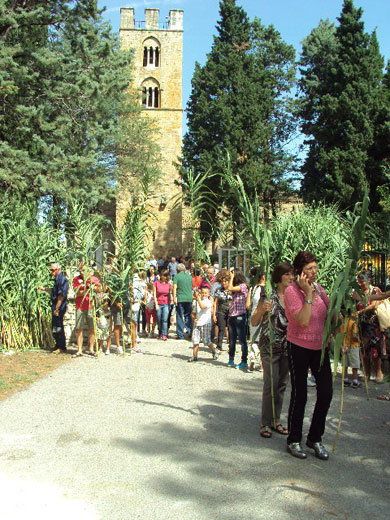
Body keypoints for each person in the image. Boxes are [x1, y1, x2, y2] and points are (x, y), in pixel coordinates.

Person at [284, 251, 332, 460]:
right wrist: (308, 295)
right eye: (309, 269)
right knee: (300, 393)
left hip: (319, 348)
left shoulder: (320, 289)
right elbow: (303, 320)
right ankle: (294, 439)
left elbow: (330, 313)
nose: (314, 272)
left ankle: (315, 437)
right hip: (299, 347)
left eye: (315, 267)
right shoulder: (291, 292)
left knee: (326, 392)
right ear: (299, 272)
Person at [251, 263, 294, 438]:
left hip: (288, 346)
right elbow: (254, 321)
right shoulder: (268, 295)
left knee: (282, 384)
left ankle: (276, 420)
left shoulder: (294, 297)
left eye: (293, 274)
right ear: (279, 277)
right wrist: (262, 309)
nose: (291, 277)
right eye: (288, 275)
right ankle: (265, 422)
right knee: (271, 383)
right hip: (269, 346)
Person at [354, 271, 385, 383]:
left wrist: (360, 312)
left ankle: (379, 372)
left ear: (368, 281)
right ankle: (367, 373)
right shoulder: (359, 292)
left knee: (375, 349)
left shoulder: (375, 290)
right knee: (364, 350)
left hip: (374, 325)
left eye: (362, 282)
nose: (361, 284)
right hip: (362, 325)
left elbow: (374, 305)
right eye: (359, 282)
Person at [39, 263, 69, 354]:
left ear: (58, 269)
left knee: (59, 325)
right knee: (55, 325)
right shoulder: (57, 279)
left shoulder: (62, 279)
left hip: (59, 305)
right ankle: (57, 345)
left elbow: (61, 296)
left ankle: (62, 347)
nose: (51, 272)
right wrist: (44, 289)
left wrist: (57, 308)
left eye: (53, 270)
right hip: (56, 304)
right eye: (51, 270)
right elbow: (54, 292)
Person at [72, 263, 101, 358]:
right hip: (80, 307)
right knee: (79, 328)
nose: (82, 272)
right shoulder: (76, 279)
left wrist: (95, 287)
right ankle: (79, 350)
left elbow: (99, 289)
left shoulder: (94, 279)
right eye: (80, 270)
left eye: (84, 270)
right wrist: (88, 288)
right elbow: (78, 292)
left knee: (92, 328)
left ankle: (91, 349)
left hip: (91, 306)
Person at [188, 287, 218, 362]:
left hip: (205, 323)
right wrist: (194, 318)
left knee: (206, 341)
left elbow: (202, 306)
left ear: (208, 294)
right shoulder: (197, 301)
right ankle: (194, 356)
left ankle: (214, 351)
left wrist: (197, 297)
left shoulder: (208, 302)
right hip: (197, 324)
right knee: (195, 340)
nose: (204, 294)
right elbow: (193, 312)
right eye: (202, 293)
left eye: (206, 293)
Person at [227, 270, 249, 369]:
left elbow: (230, 287)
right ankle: (231, 359)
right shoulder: (236, 287)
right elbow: (229, 289)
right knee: (232, 339)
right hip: (232, 315)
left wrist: (232, 276)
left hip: (240, 315)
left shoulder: (243, 286)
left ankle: (244, 360)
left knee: (242, 339)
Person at [340, 311, 361, 388]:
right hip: (353, 346)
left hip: (344, 346)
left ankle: (345, 380)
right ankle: (355, 381)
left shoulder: (341, 323)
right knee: (354, 365)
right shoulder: (352, 323)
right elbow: (354, 335)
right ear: (351, 314)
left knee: (345, 364)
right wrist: (359, 340)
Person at [213, 273, 233, 352]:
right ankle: (219, 345)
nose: (224, 283)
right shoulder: (218, 290)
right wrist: (214, 314)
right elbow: (215, 302)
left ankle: (231, 345)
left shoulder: (232, 290)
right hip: (221, 311)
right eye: (222, 281)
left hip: (231, 312)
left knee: (230, 328)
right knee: (221, 328)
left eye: (226, 281)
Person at [173, 263, 193, 339]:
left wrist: (174, 297)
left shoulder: (176, 276)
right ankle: (189, 331)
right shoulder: (189, 277)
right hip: (189, 298)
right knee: (188, 316)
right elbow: (191, 286)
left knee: (180, 316)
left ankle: (180, 334)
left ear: (177, 270)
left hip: (181, 298)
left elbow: (174, 287)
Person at [153, 269, 171, 340]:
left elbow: (169, 295)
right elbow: (154, 294)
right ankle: (160, 332)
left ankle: (164, 334)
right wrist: (156, 304)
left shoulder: (168, 284)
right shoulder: (156, 283)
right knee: (159, 319)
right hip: (158, 303)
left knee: (165, 319)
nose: (163, 277)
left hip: (166, 303)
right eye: (162, 275)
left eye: (165, 276)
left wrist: (170, 304)